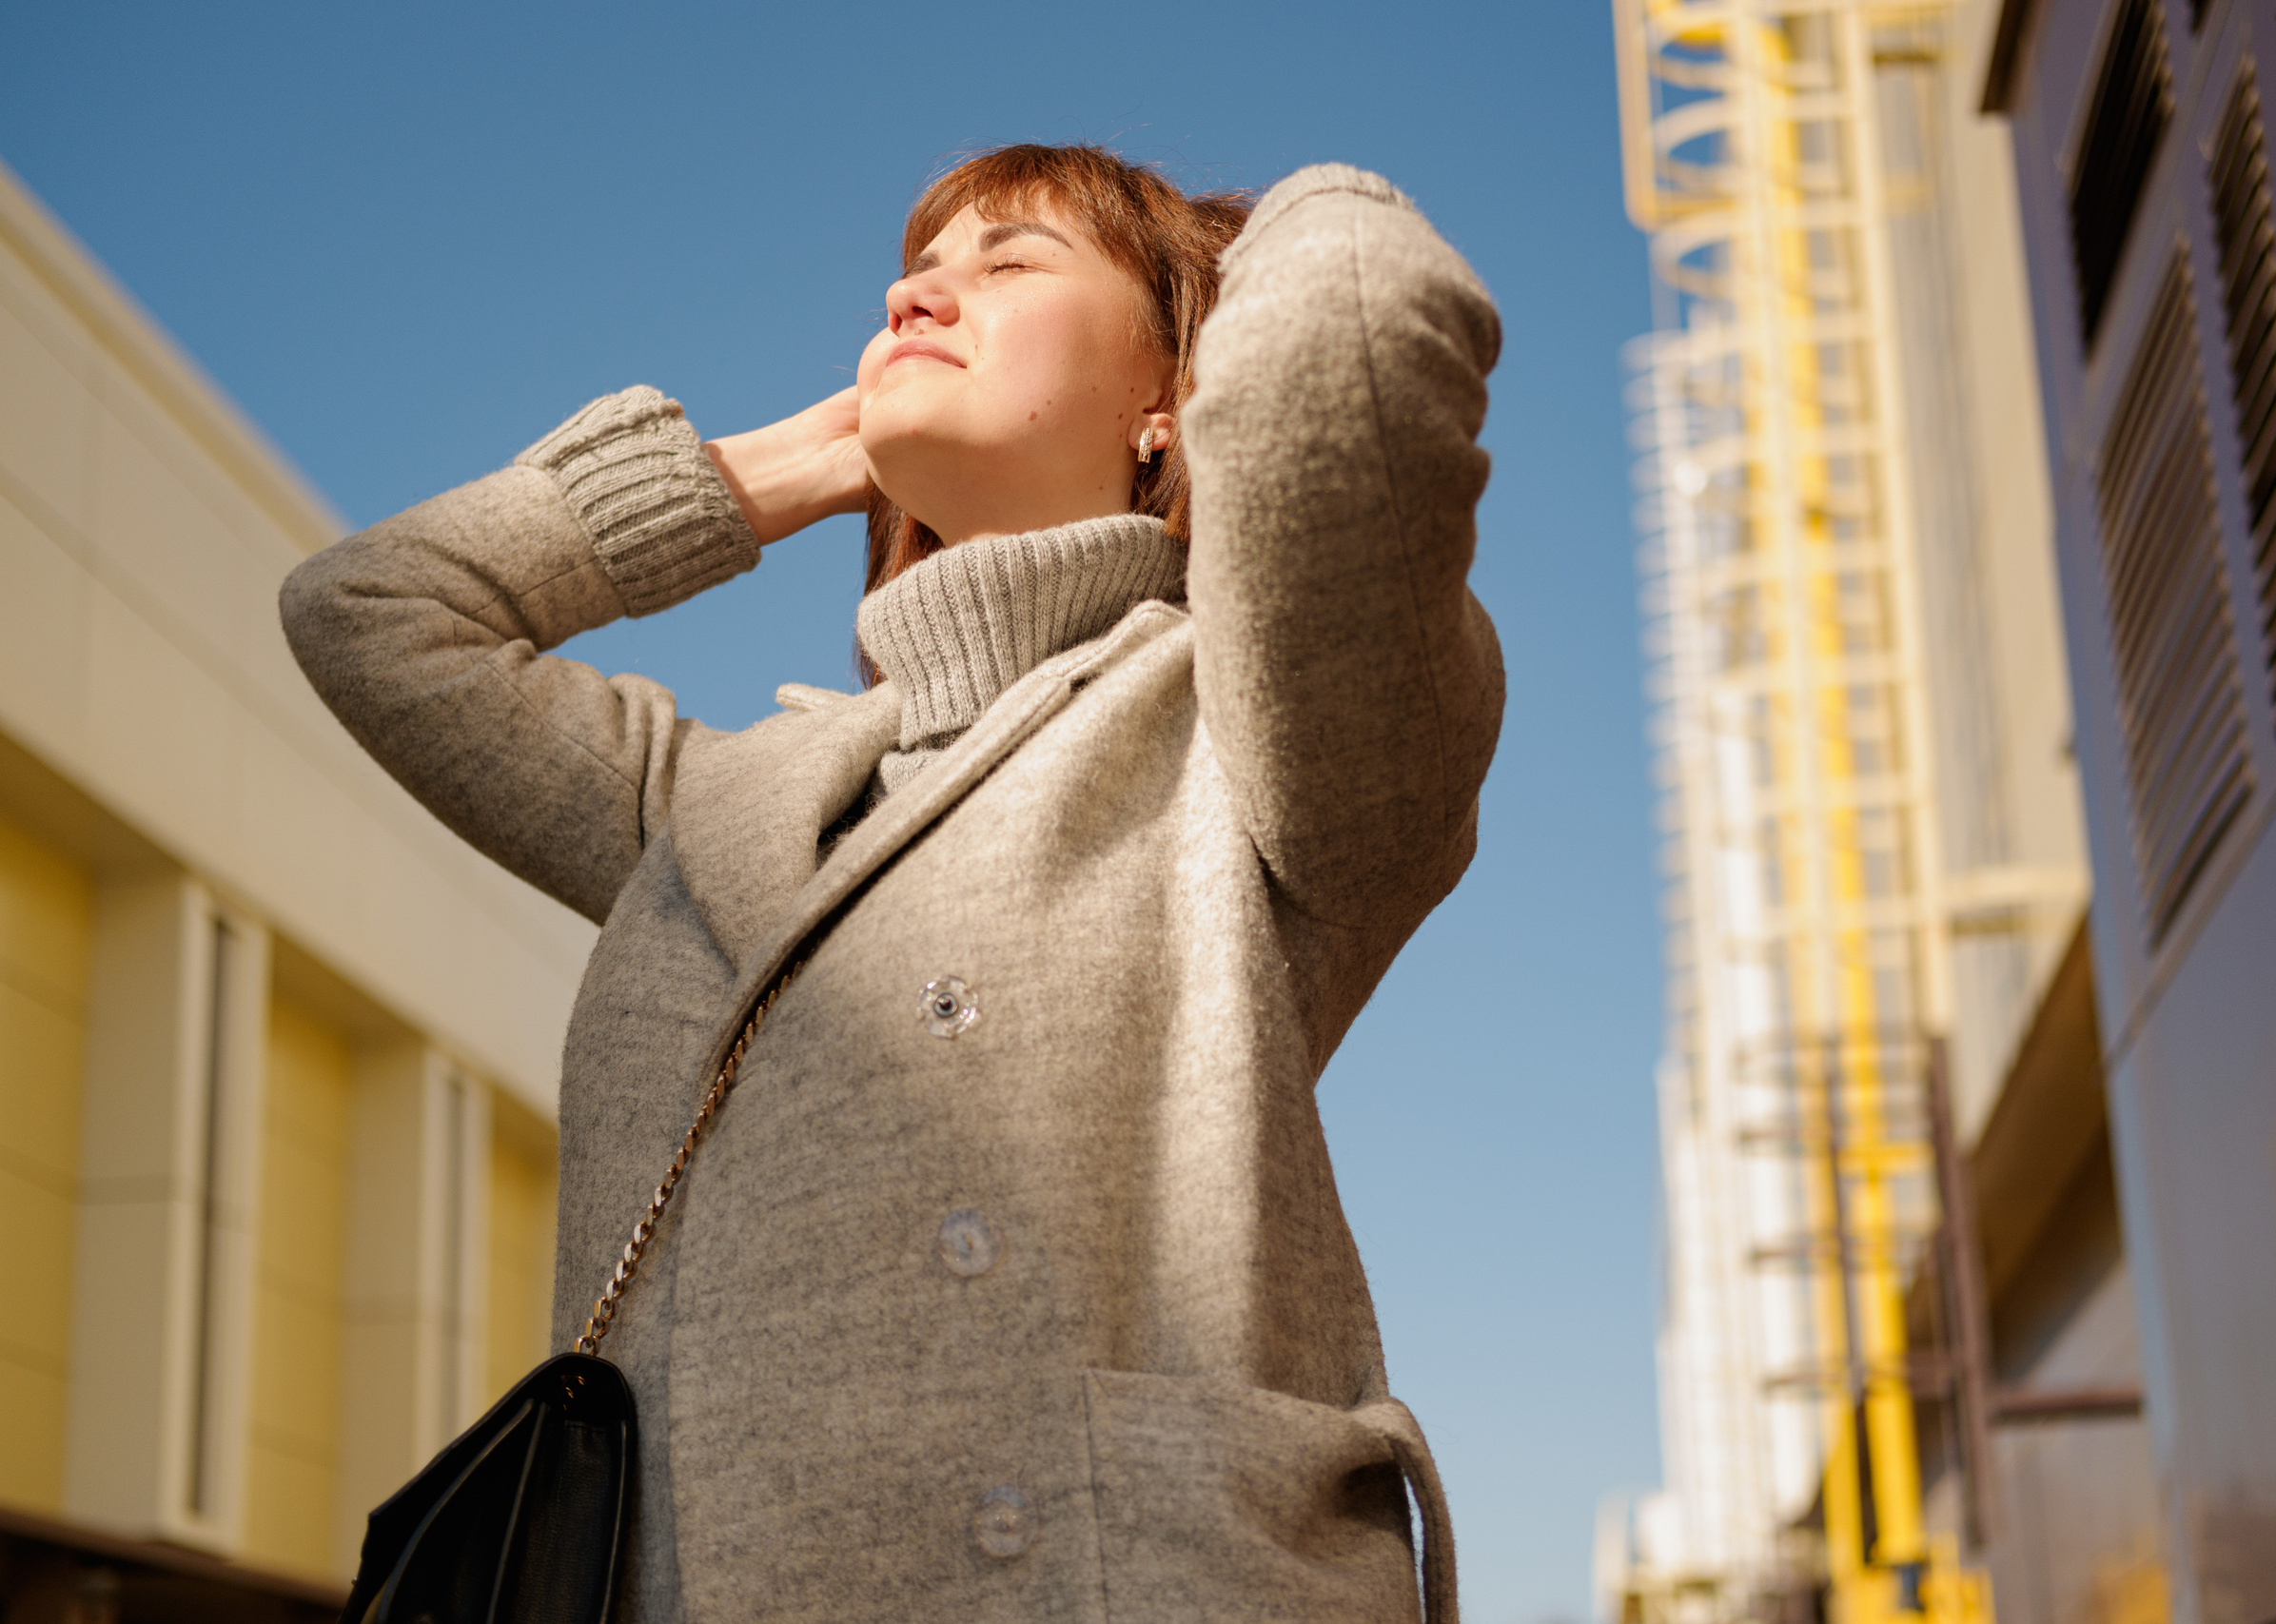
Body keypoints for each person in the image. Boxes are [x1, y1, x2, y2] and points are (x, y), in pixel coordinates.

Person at [283, 143, 1502, 1623]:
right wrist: (805, 459)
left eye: (1011, 262)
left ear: (1170, 397)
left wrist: (1259, 250)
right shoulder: (725, 806)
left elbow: (1349, 351)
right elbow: (372, 615)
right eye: (916, 272)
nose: (918, 290)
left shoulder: (1255, 734)